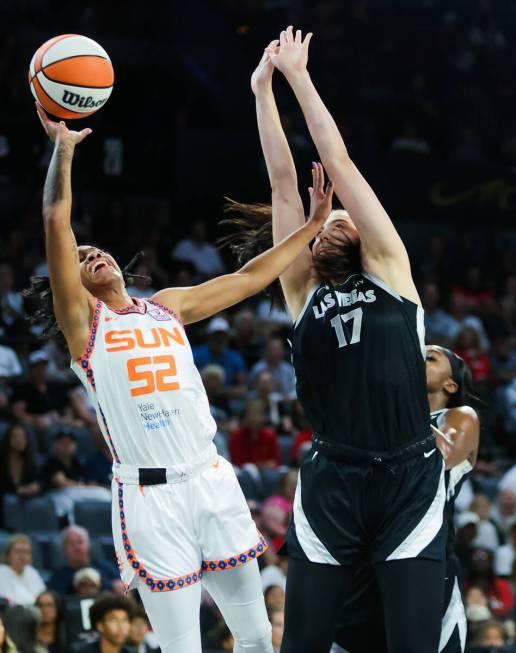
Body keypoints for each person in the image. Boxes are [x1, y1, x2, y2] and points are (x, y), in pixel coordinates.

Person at [33, 101, 333, 653]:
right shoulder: (85, 330)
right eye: (80, 257)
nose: (92, 252)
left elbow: (248, 278)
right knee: (181, 648)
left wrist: (311, 229)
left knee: (258, 637)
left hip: (211, 479)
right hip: (150, 498)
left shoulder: (166, 305)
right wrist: (64, 150)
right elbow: (56, 219)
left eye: (96, 248)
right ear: (70, 285)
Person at [230, 30, 448, 653]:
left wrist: (299, 77)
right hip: (332, 482)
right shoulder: (301, 291)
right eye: (322, 220)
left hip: (408, 479)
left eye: (339, 218)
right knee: (303, 643)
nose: (328, 223)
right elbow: (280, 184)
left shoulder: (390, 269)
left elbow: (342, 165)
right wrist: (262, 91)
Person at [333, 345, 480, 653]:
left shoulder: (458, 416)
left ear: (450, 385)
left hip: (424, 562)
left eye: (430, 358)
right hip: (363, 563)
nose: (415, 359)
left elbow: (439, 458)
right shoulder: (378, 417)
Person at [48, 526, 119, 594]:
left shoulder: (107, 568)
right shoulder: (57, 578)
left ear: (88, 545)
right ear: (64, 548)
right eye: (71, 543)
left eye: (80, 542)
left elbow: (124, 591)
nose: (76, 547)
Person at [229, 399, 280, 468]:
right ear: (246, 417)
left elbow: (275, 462)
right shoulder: (236, 436)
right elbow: (238, 464)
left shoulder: (270, 435)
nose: (255, 419)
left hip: (268, 474)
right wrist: (262, 465)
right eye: (252, 415)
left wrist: (256, 466)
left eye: (259, 415)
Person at [0, 534, 46, 605]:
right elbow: (7, 601)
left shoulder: (32, 572)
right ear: (8, 555)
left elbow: (43, 597)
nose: (22, 556)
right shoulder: (2, 572)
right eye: (17, 552)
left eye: (26, 552)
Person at [0, 422, 40, 499]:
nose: (19, 440)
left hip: (25, 501)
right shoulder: (2, 460)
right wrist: (17, 490)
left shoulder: (30, 461)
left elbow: (38, 480)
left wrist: (35, 486)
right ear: (8, 439)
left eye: (23, 437)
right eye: (15, 436)